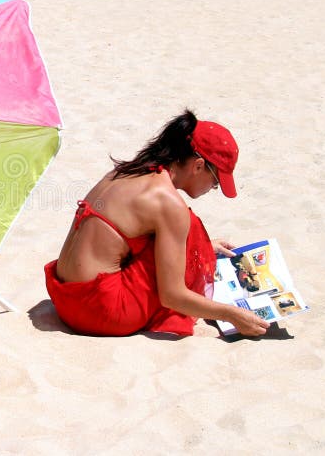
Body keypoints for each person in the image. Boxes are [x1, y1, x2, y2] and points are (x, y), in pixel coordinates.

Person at [45, 109, 269, 337]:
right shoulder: (168, 202)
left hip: (63, 294)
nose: (214, 188)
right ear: (198, 165)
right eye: (215, 181)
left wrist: (202, 248)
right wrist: (232, 314)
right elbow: (171, 296)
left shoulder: (129, 170)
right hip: (98, 312)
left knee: (179, 238)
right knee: (188, 228)